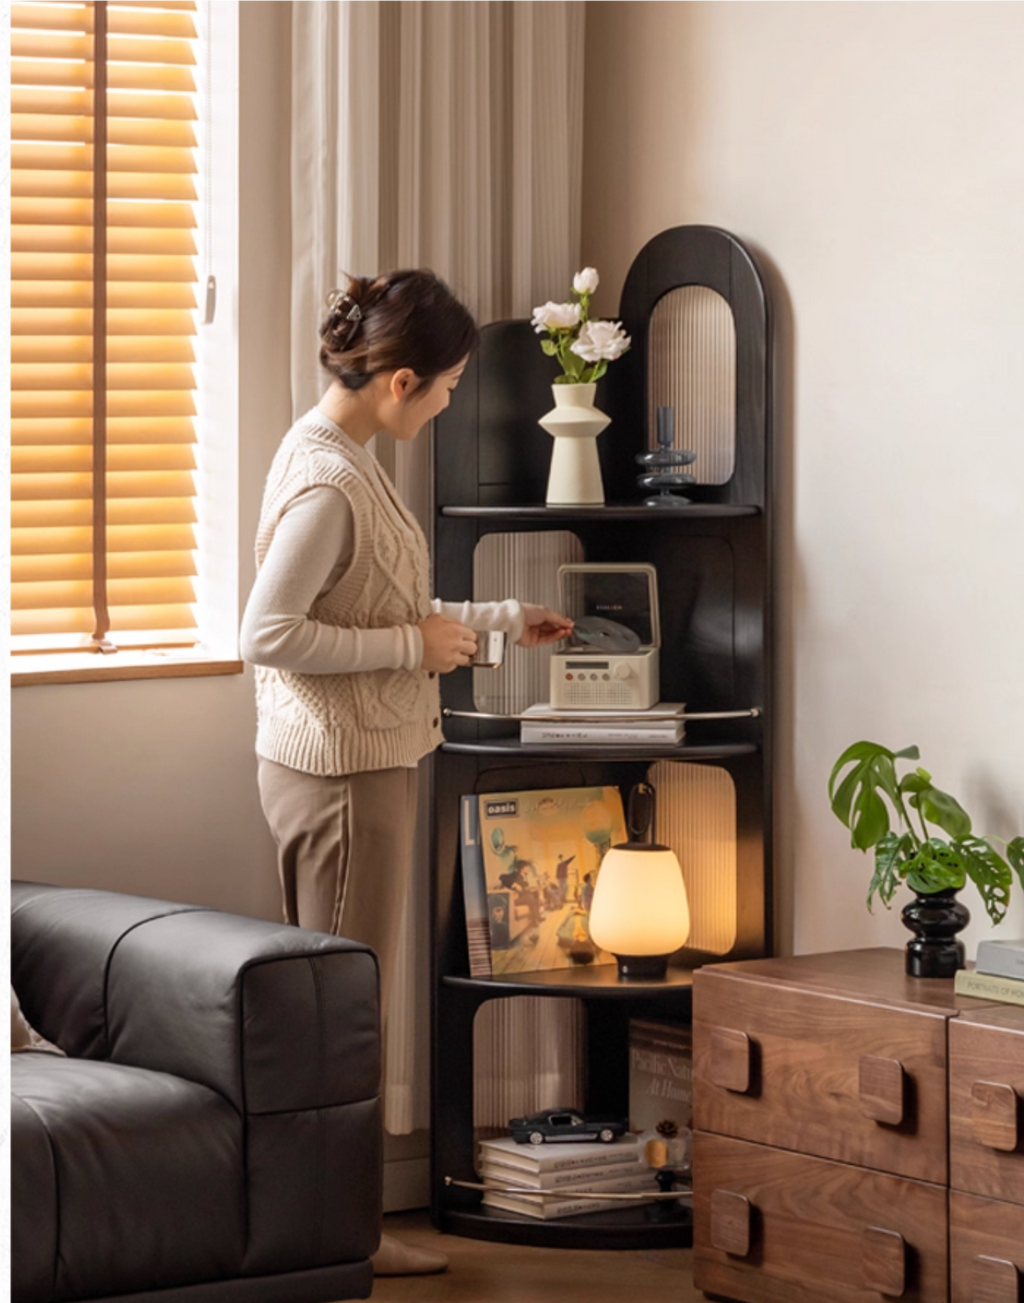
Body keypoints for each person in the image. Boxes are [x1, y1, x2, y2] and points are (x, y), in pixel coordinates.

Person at [240, 268, 572, 1276]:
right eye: (449, 384)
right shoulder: (332, 478)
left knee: (335, 1010)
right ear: (401, 380)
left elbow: (381, 607)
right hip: (345, 780)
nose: (450, 401)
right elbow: (269, 632)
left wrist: (502, 623)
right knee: (340, 1020)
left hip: (353, 766)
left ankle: (322, 1224)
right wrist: (408, 650)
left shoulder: (341, 452)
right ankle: (336, 1233)